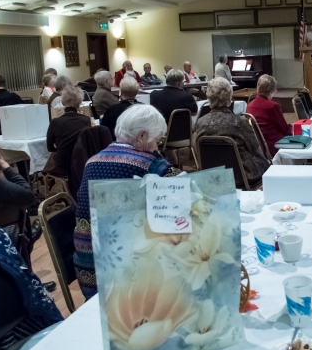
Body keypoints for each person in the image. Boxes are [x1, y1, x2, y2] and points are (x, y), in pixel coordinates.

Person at [74, 105, 172, 299]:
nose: (157, 148)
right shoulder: (152, 165)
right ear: (142, 136)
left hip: (90, 271)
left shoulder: (91, 161)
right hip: (131, 281)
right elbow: (180, 211)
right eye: (157, 141)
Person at [195, 78, 270, 186]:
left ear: (209, 97)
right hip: (243, 176)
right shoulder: (240, 122)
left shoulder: (201, 122)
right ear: (229, 97)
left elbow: (198, 150)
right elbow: (255, 149)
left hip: (213, 176)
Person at [43, 85, 91, 178]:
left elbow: (50, 148)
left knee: (53, 157)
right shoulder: (86, 120)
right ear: (80, 102)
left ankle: (47, 179)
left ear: (63, 101)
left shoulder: (55, 122)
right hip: (81, 164)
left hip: (63, 166)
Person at [246, 74, 291, 157]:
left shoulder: (250, 105)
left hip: (257, 146)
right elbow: (285, 130)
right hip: (273, 145)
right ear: (272, 90)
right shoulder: (273, 106)